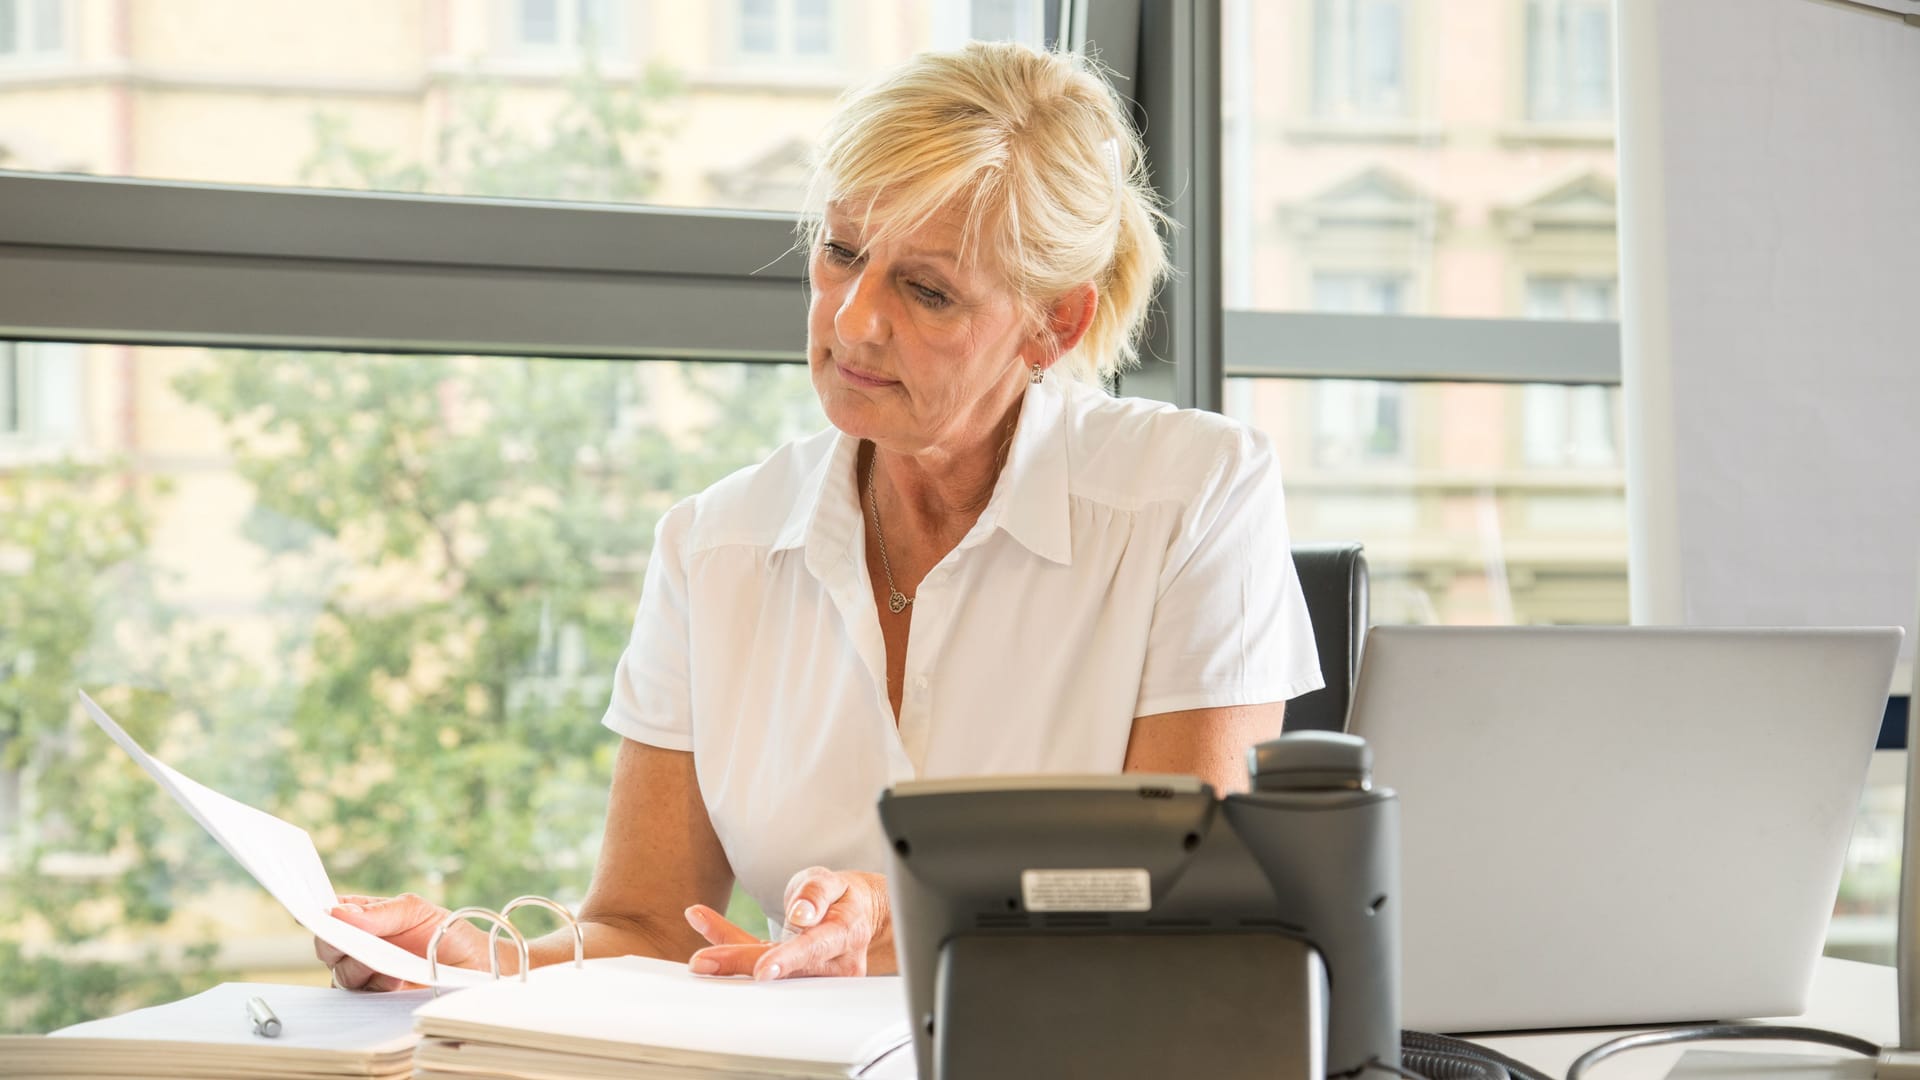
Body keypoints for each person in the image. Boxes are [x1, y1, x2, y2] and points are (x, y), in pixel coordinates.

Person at [316, 40, 1321, 991]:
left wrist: (918, 917)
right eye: (842, 252)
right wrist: (464, 956)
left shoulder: (1194, 496)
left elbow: (1181, 909)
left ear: (1056, 321)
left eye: (926, 290)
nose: (852, 320)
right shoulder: (715, 546)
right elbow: (651, 927)